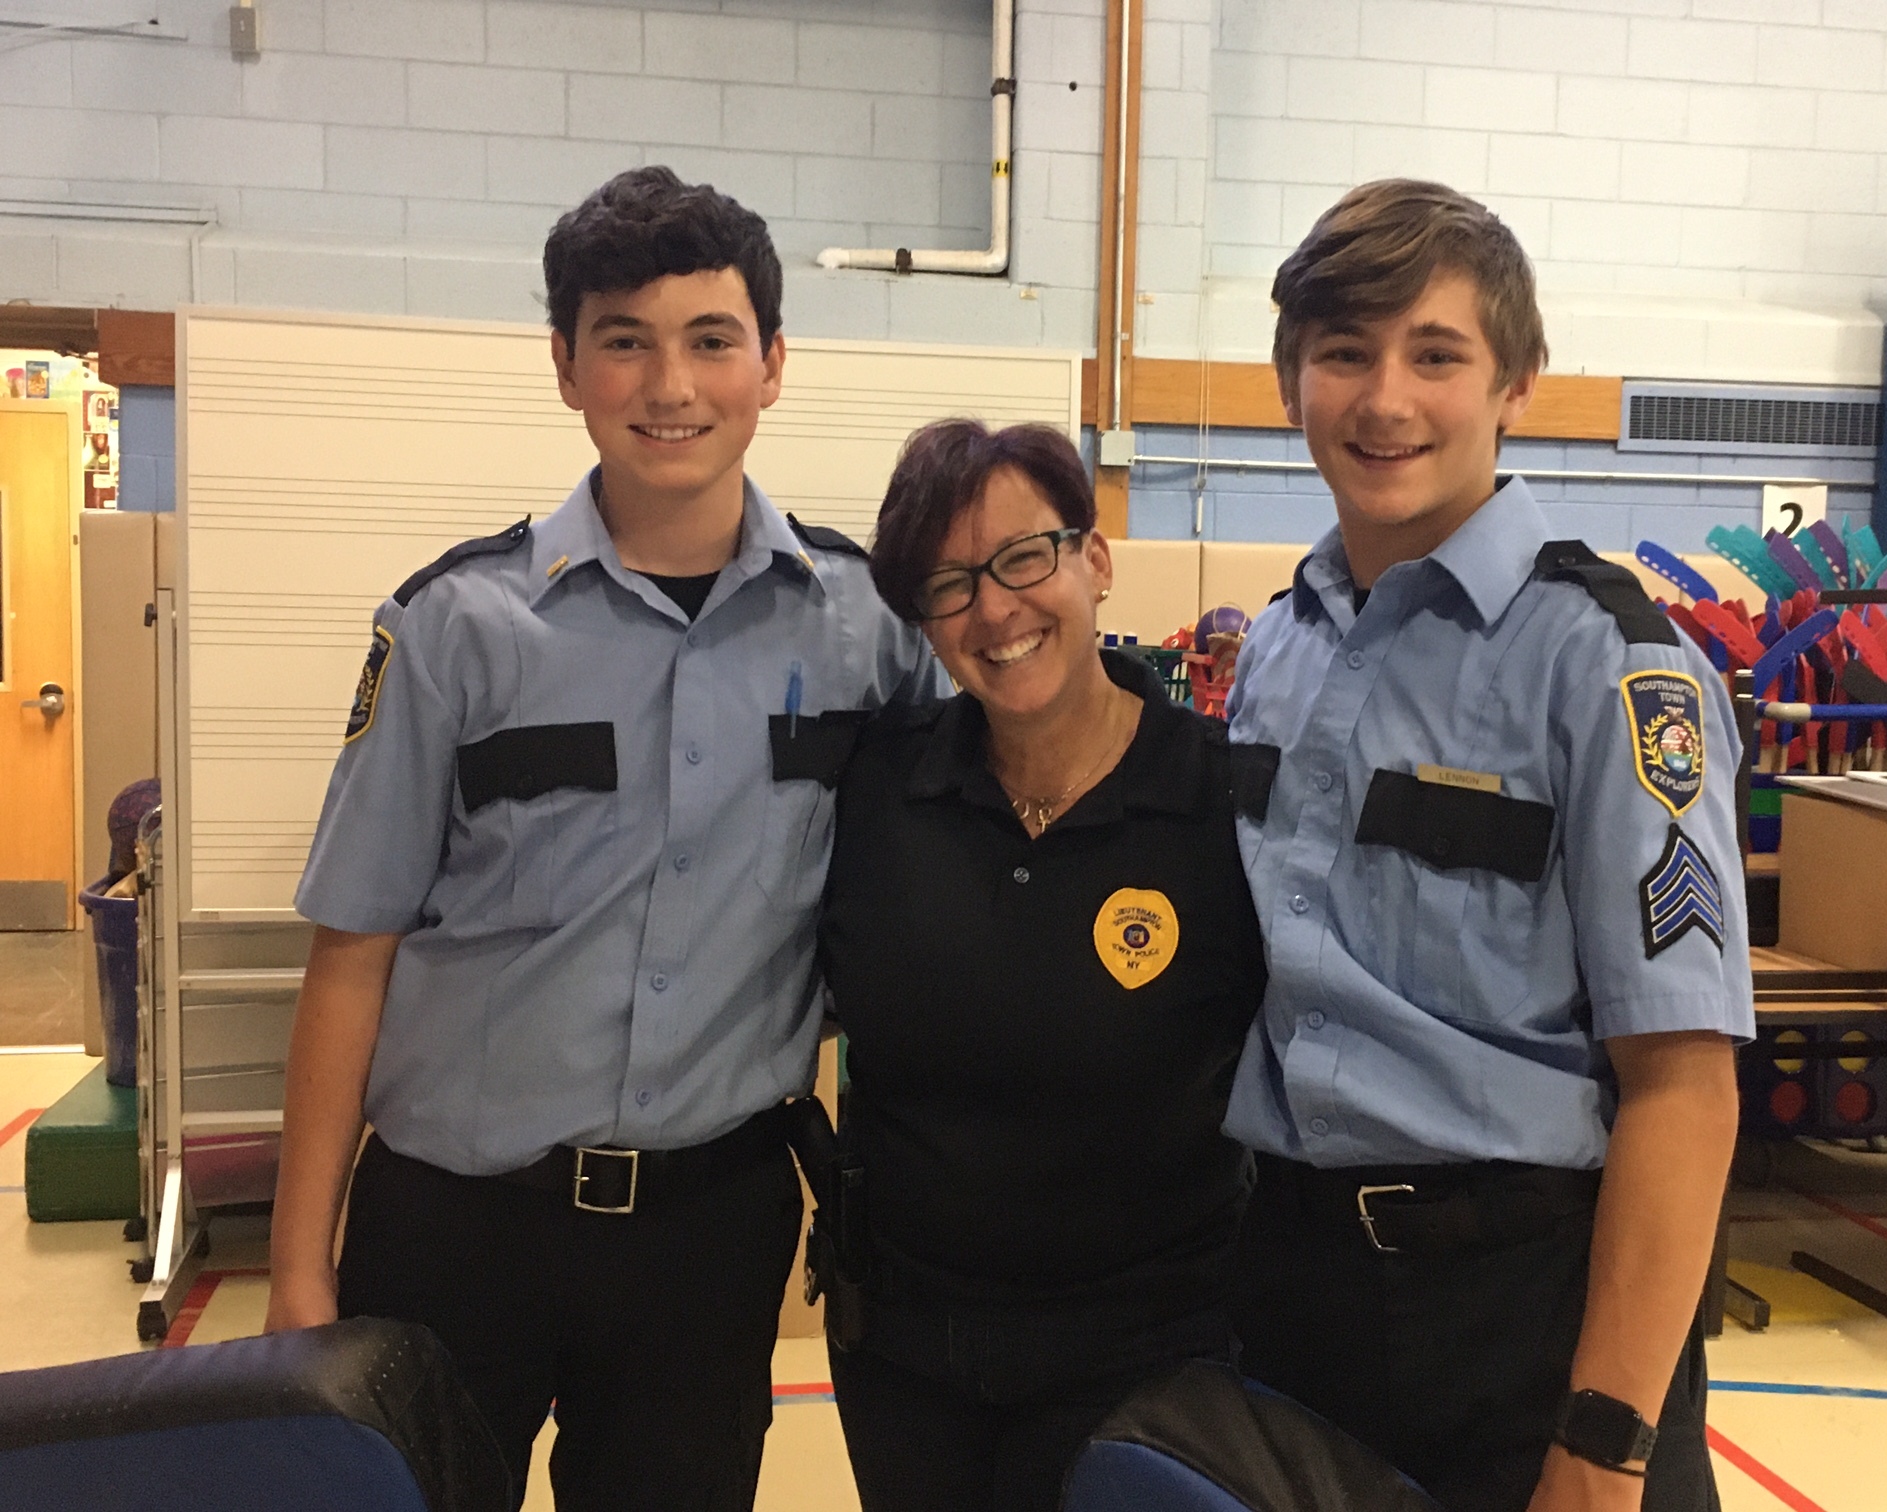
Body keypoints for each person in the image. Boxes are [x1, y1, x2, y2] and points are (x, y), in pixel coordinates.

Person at [262, 166, 943, 1510]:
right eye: (623, 340)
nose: (669, 383)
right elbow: (354, 953)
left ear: (774, 364)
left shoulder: (866, 629)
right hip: (453, 1225)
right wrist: (299, 1266)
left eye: (710, 339)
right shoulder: (456, 627)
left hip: (710, 1232)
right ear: (567, 366)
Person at [1224, 179, 1752, 1512]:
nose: (1384, 399)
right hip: (1296, 1304)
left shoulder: (1615, 671)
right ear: (1292, 379)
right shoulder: (1276, 651)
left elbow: (1686, 1092)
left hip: (1529, 1320)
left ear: (1517, 381)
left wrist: (1602, 1440)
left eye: (1436, 355)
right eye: (1344, 353)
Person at [815, 419, 1270, 1512]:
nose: (996, 608)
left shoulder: (1226, 804)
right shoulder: (876, 788)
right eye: (949, 585)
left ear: (1095, 561)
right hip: (905, 1359)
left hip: (1150, 1367)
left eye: (1026, 558)